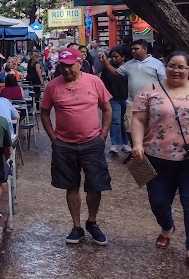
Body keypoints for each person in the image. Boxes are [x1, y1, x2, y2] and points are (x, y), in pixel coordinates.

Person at [40, 48, 112, 246]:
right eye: (63, 65)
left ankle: (92, 222)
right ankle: (76, 226)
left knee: (95, 186)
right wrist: (54, 139)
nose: (66, 69)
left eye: (70, 65)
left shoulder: (94, 82)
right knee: (71, 186)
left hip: (92, 143)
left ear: (80, 63)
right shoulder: (53, 86)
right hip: (65, 145)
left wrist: (103, 135)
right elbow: (44, 112)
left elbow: (107, 108)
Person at [130, 51, 189, 265]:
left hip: (187, 159)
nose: (176, 70)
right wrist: (137, 144)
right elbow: (138, 120)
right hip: (156, 157)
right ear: (165, 66)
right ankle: (167, 227)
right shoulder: (149, 90)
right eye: (172, 65)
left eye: (181, 67)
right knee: (159, 202)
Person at [99, 39, 166, 141]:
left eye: (136, 48)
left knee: (150, 129)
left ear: (145, 49)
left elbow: (164, 82)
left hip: (152, 102)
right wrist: (105, 61)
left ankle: (146, 153)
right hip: (132, 102)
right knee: (130, 128)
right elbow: (116, 73)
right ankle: (134, 151)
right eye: (132, 49)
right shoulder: (129, 64)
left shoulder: (157, 64)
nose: (133, 51)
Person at [100, 45, 131, 155]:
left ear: (123, 57)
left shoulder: (129, 67)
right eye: (112, 57)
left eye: (116, 57)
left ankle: (125, 143)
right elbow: (103, 82)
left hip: (126, 97)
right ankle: (115, 143)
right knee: (116, 120)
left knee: (125, 120)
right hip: (113, 98)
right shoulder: (107, 69)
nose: (113, 59)